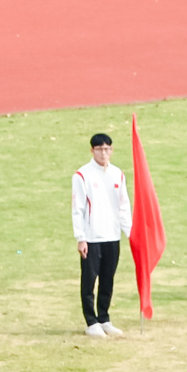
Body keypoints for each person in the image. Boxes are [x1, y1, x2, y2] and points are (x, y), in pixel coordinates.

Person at [72, 133, 132, 337]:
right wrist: (81, 237)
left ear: (112, 150)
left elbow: (124, 206)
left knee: (108, 279)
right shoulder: (82, 175)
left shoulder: (117, 174)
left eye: (107, 149)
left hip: (112, 236)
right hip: (91, 237)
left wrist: (130, 233)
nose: (103, 153)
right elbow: (78, 208)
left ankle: (104, 318)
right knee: (89, 281)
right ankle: (91, 321)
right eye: (99, 149)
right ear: (92, 151)